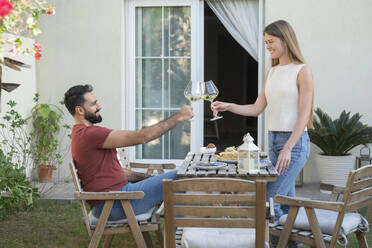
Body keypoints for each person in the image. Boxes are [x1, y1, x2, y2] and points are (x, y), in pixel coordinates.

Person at [211, 20, 313, 247]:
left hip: (294, 144)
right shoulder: (272, 72)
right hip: (275, 140)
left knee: (268, 200)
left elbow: (304, 115)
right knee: (285, 202)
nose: (267, 46)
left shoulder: (302, 71)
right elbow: (257, 108)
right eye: (266, 42)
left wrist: (288, 147)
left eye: (271, 42)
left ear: (285, 40)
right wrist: (229, 106)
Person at [63, 84, 194, 221]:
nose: (99, 106)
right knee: (179, 176)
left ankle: (176, 235)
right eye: (94, 104)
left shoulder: (81, 134)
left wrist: (145, 177)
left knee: (171, 180)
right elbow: (142, 137)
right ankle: (176, 238)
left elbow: (115, 171)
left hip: (113, 201)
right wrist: (178, 117)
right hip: (115, 204)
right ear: (80, 110)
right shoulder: (90, 134)